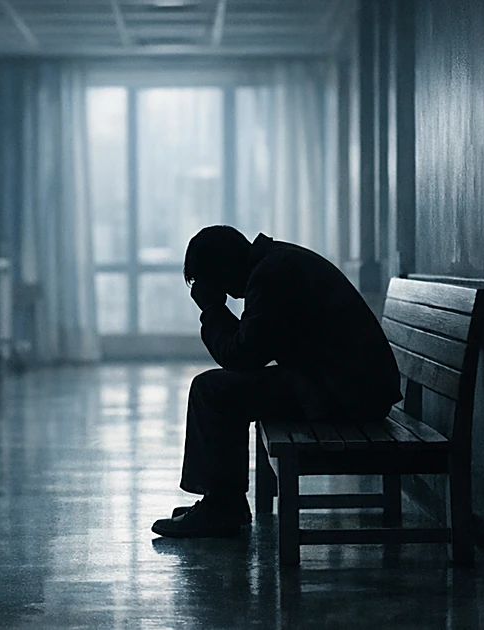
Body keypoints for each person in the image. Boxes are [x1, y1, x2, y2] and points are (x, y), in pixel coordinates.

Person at [151, 226, 402, 538]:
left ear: (223, 268)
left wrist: (213, 310)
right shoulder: (274, 263)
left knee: (211, 391)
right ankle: (222, 501)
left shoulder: (270, 276)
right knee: (219, 389)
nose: (228, 293)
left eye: (216, 283)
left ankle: (221, 507)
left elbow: (243, 358)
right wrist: (219, 314)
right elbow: (248, 350)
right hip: (346, 384)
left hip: (346, 392)